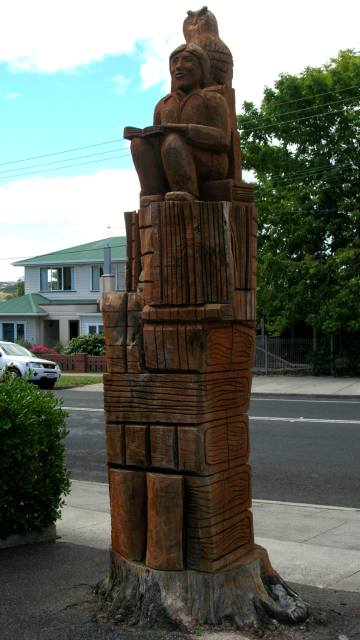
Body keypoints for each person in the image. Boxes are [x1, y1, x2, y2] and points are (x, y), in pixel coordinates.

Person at [125, 43, 231, 206]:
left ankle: (187, 191)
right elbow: (158, 140)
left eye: (187, 60)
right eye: (174, 62)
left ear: (201, 68)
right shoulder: (163, 104)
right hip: (170, 157)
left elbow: (223, 139)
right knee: (139, 143)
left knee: (172, 140)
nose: (178, 67)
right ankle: (153, 192)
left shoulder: (213, 99)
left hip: (208, 161)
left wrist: (184, 130)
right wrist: (142, 135)